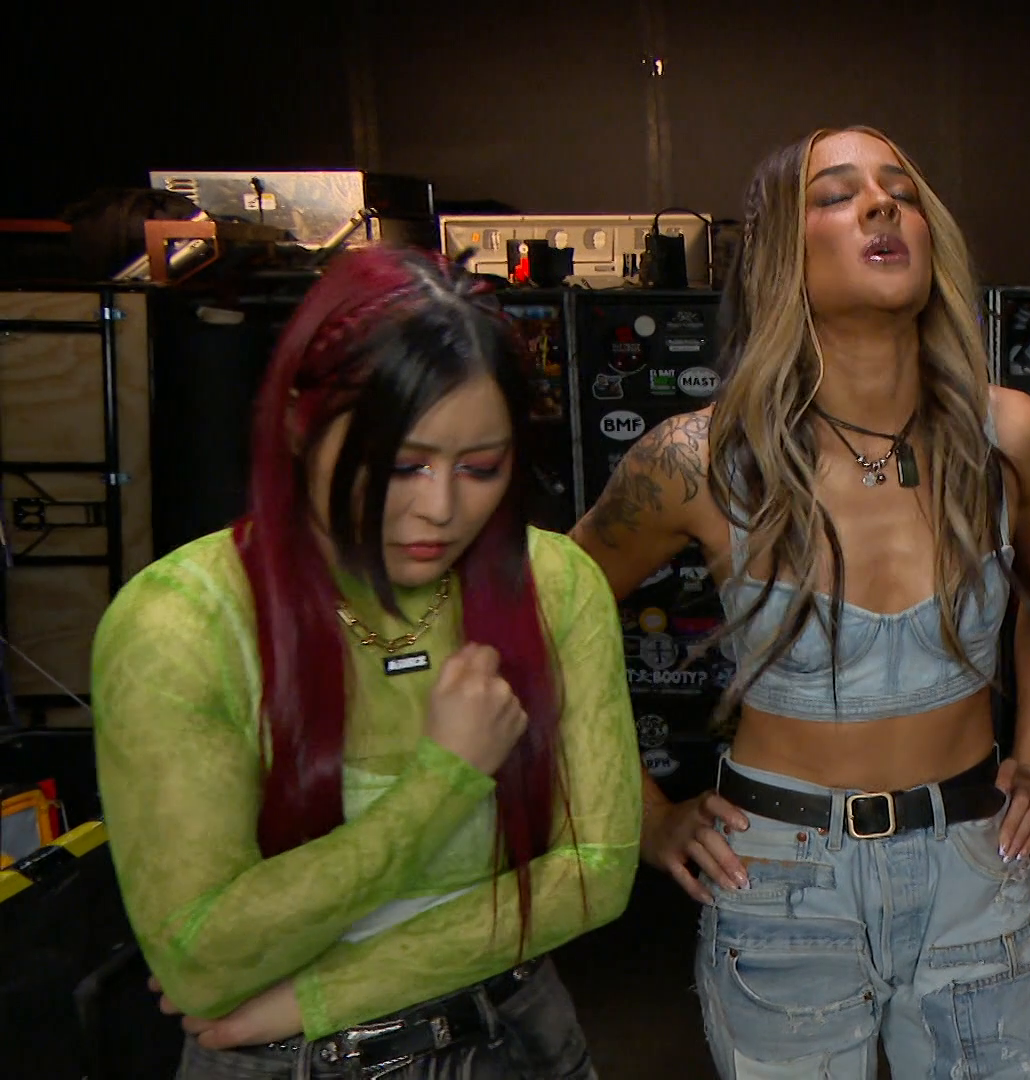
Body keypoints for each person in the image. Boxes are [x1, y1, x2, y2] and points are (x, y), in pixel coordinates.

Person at [569, 125, 1030, 1079]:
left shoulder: (1010, 436)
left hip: (974, 868)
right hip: (780, 882)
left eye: (901, 191)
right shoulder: (698, 460)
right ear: (778, 250)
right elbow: (551, 613)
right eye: (837, 194)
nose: (882, 205)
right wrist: (643, 814)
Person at [90, 247, 641, 1078]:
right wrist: (446, 778)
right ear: (297, 425)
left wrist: (322, 994)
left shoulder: (555, 583)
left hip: (514, 1039)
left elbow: (597, 873)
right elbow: (201, 957)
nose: (440, 508)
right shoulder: (183, 620)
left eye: (480, 468)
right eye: (401, 465)